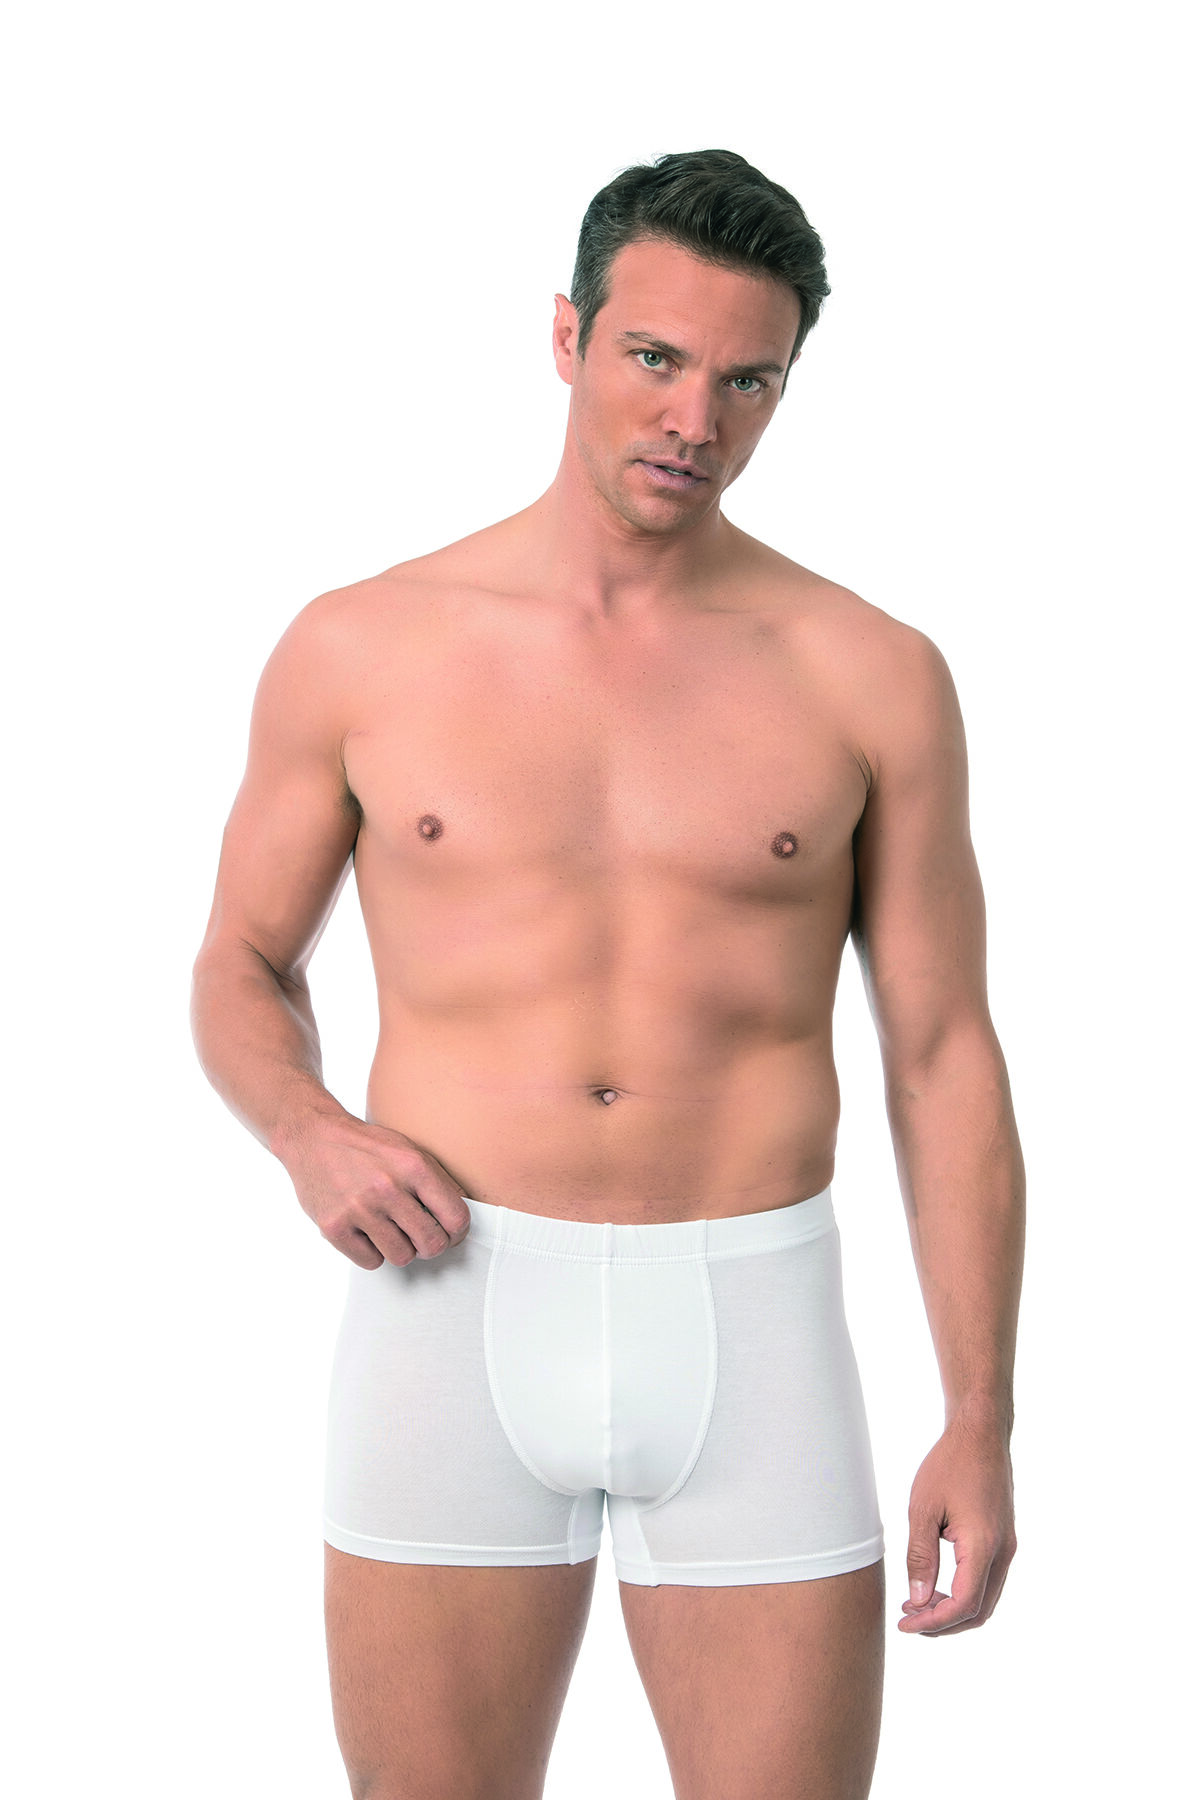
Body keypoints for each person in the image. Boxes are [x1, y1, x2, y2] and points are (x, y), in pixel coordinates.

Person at [190, 147, 1025, 1800]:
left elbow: (942, 1054)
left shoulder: (870, 675)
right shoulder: (364, 645)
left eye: (747, 381)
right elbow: (241, 958)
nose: (694, 419)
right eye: (655, 357)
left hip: (755, 1322)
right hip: (448, 1310)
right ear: (566, 335)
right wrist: (307, 1130)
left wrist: (980, 1415)